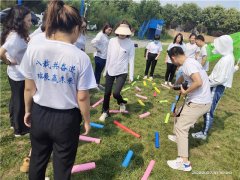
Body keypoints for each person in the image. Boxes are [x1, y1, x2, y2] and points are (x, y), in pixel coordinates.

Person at [20, 1, 96, 179]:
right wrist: (86, 120)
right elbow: (83, 97)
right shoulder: (81, 57)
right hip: (66, 120)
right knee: (62, 166)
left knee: (37, 160)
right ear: (76, 28)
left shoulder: (34, 49)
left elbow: (29, 88)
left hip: (40, 114)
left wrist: (28, 111)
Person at [166, 46, 211, 171]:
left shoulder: (188, 64)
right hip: (200, 101)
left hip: (199, 102)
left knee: (182, 128)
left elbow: (198, 82)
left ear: (174, 58)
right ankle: (178, 138)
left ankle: (184, 163)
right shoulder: (188, 62)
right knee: (178, 113)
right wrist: (176, 84)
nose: (173, 63)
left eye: (172, 60)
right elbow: (184, 77)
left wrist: (185, 92)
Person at [192, 35, 239, 140]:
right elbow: (228, 72)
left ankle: (204, 133)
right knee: (203, 106)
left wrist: (206, 84)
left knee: (208, 110)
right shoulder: (227, 56)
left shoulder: (227, 59)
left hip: (216, 87)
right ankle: (193, 122)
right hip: (213, 85)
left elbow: (221, 79)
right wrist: (236, 68)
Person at [0, 5, 32, 137]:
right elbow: (1, 52)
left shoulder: (15, 32)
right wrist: (8, 61)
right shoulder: (14, 37)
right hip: (18, 74)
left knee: (15, 99)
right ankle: (20, 130)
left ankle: (14, 122)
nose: (31, 23)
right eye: (28, 20)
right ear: (20, 20)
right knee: (19, 101)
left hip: (16, 72)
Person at [99, 20, 135, 121]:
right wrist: (105, 70)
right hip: (110, 70)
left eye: (125, 31)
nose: (122, 34)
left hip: (122, 71)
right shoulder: (112, 41)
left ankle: (121, 102)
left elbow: (131, 60)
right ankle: (105, 111)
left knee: (116, 93)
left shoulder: (130, 43)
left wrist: (131, 75)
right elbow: (109, 56)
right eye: (121, 31)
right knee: (107, 93)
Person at [91, 23, 112, 90]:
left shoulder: (105, 35)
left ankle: (97, 83)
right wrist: (99, 49)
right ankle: (94, 85)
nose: (110, 31)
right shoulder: (100, 34)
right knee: (97, 71)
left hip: (104, 56)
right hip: (99, 56)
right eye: (109, 30)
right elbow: (93, 42)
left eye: (111, 30)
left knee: (99, 71)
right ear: (105, 28)